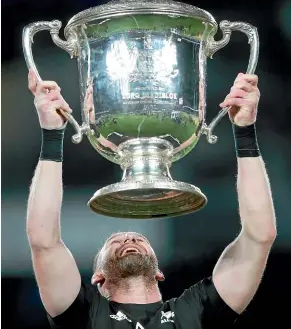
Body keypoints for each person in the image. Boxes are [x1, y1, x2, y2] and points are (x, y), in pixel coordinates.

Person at [27, 69, 276, 329]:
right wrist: (52, 134)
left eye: (137, 240)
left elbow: (260, 235)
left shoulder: (194, 311)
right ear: (97, 276)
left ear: (160, 272)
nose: (130, 238)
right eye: (115, 242)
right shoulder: (85, 314)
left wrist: (245, 131)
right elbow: (43, 241)